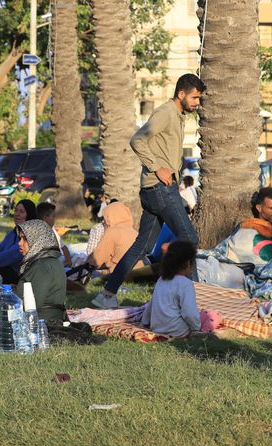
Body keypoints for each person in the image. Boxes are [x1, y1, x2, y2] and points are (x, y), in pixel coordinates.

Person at [92, 74, 205, 309]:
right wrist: (157, 167)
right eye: (194, 97)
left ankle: (106, 295)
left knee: (142, 246)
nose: (197, 102)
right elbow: (137, 140)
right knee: (189, 238)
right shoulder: (165, 113)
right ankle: (185, 297)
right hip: (161, 189)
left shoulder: (178, 115)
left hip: (155, 190)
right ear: (181, 94)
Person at [141, 241, 201, 338]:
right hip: (178, 331)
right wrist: (196, 328)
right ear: (188, 263)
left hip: (157, 329)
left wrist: (144, 323)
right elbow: (189, 313)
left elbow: (151, 306)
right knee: (209, 316)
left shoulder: (161, 280)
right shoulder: (186, 284)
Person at [15, 219, 68, 323]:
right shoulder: (48, 260)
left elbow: (31, 306)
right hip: (47, 319)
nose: (20, 243)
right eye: (20, 238)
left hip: (41, 322)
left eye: (25, 239)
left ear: (38, 240)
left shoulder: (41, 266)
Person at [88, 201, 145, 276]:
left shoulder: (112, 231)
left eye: (106, 218)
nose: (104, 222)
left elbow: (96, 258)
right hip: (140, 271)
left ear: (111, 217)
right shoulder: (134, 232)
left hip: (120, 272)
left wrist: (87, 263)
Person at [0, 199, 37, 284]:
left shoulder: (29, 235)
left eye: (22, 212)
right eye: (16, 210)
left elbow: (10, 255)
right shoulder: (14, 232)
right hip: (8, 270)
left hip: (23, 277)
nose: (17, 214)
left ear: (29, 215)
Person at [36, 202, 72, 267]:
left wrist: (69, 263)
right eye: (53, 216)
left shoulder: (51, 229)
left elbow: (64, 247)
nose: (54, 219)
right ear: (45, 217)